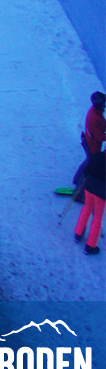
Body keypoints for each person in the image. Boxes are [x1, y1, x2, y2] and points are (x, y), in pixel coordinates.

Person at [78, 93, 106, 255]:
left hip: (90, 188)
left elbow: (103, 125)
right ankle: (90, 246)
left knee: (86, 209)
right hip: (100, 192)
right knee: (97, 218)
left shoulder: (96, 113)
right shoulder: (95, 117)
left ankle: (78, 233)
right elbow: (100, 135)